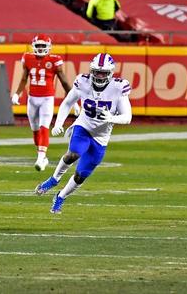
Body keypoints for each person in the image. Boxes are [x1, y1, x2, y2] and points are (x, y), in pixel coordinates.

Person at [34, 54, 132, 214]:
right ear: (91, 71)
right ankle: (54, 179)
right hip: (84, 126)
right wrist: (58, 123)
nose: (99, 76)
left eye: (103, 73)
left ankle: (61, 196)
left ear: (110, 73)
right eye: (97, 72)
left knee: (81, 175)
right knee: (74, 153)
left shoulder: (118, 87)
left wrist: (112, 118)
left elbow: (127, 117)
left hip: (101, 137)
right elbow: (67, 103)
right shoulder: (83, 82)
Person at [12, 35, 72, 171]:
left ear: (48, 47)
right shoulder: (27, 58)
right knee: (35, 129)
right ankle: (42, 156)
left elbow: (64, 82)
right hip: (32, 98)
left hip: (47, 98)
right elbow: (23, 79)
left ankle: (41, 157)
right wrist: (17, 93)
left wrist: (73, 100)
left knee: (44, 126)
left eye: (43, 46)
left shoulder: (54, 60)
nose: (40, 48)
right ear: (33, 46)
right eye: (38, 46)